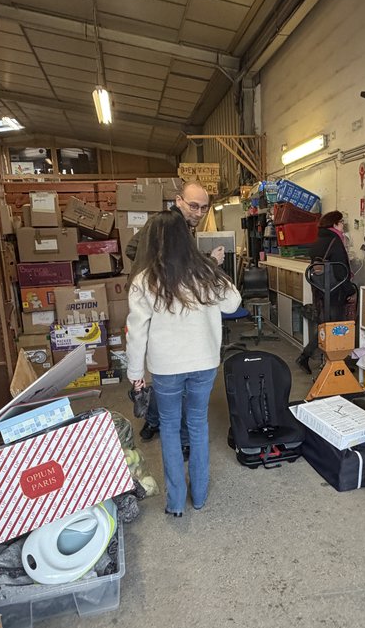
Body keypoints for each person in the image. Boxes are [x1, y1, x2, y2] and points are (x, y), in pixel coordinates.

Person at [125, 210, 242, 517]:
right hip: (204, 362)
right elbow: (233, 303)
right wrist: (215, 269)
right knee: (198, 425)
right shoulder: (206, 272)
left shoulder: (144, 280)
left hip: (166, 368)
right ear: (187, 238)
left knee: (170, 429)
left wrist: (136, 374)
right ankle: (200, 496)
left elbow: (137, 331)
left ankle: (176, 502)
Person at [125, 181, 224, 447]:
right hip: (161, 296)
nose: (198, 212)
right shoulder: (170, 224)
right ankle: (181, 438)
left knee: (162, 370)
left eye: (204, 208)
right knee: (174, 371)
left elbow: (134, 250)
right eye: (193, 206)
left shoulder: (168, 225)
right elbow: (176, 265)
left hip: (154, 294)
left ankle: (155, 420)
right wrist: (210, 263)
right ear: (179, 200)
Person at [295, 211, 352, 374]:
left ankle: (326, 358)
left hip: (320, 289)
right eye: (341, 222)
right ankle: (330, 360)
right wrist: (348, 290)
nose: (343, 225)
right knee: (334, 326)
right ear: (334, 224)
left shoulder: (320, 240)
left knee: (324, 325)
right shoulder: (336, 241)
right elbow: (342, 271)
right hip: (335, 290)